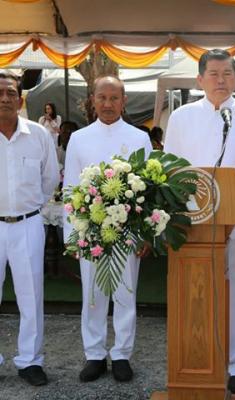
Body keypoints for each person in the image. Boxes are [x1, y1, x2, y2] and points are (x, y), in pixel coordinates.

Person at [164, 49, 235, 395]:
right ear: (199, 79)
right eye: (213, 74)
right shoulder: (181, 116)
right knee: (193, 295)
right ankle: (196, 361)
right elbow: (168, 170)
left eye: (227, 73)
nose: (221, 80)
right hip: (191, 225)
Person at [63, 75, 153, 383]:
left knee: (126, 292)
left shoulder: (139, 138)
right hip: (90, 230)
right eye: (102, 97)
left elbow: (148, 190)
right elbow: (70, 189)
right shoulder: (79, 138)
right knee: (93, 293)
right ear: (93, 100)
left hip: (128, 230)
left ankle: (122, 354)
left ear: (124, 101)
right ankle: (95, 354)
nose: (108, 104)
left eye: (114, 98)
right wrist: (72, 236)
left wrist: (145, 234)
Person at [0, 71, 59, 386]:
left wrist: (32, 207)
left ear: (21, 99)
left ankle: (30, 361)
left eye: (11, 93)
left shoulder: (38, 135)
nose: (5, 99)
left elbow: (50, 179)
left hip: (28, 223)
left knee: (31, 295)